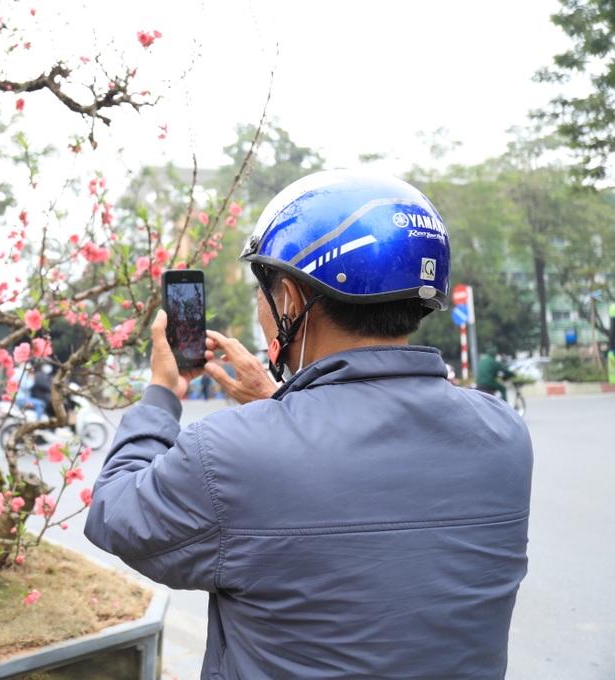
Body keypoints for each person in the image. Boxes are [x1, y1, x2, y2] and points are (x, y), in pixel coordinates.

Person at [84, 171, 533, 679]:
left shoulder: (232, 451)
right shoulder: (504, 435)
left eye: (265, 293)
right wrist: (284, 400)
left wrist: (162, 393)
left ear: (292, 301)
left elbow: (116, 514)